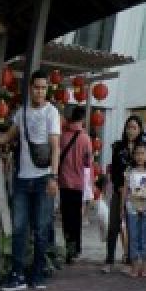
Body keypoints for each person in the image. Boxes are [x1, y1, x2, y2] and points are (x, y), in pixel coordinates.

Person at [0, 70, 60, 291]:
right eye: (37, 87)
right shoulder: (21, 113)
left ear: (47, 89)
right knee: (19, 228)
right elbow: (9, 136)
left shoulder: (51, 113)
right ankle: (17, 274)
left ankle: (38, 273)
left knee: (41, 228)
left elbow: (55, 147)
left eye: (44, 88)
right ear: (30, 88)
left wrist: (54, 176)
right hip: (23, 179)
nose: (40, 91)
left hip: (43, 178)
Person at [102, 115, 143, 273]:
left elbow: (145, 170)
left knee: (133, 227)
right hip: (120, 191)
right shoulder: (118, 146)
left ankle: (131, 260)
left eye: (134, 127)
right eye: (129, 127)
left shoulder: (143, 147)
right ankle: (109, 260)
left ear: (139, 130)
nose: (131, 130)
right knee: (114, 225)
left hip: (137, 194)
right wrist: (120, 186)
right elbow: (115, 169)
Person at [57, 105, 93, 264]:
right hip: (78, 184)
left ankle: (68, 247)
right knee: (76, 218)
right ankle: (76, 248)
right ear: (82, 119)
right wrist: (89, 185)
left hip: (64, 182)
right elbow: (88, 164)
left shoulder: (62, 136)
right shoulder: (85, 138)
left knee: (66, 217)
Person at [122, 141, 146, 277]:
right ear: (133, 156)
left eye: (143, 153)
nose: (140, 156)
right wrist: (122, 209)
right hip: (132, 206)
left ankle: (145, 264)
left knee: (144, 236)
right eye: (137, 153)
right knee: (133, 236)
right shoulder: (129, 172)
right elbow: (125, 191)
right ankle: (135, 265)